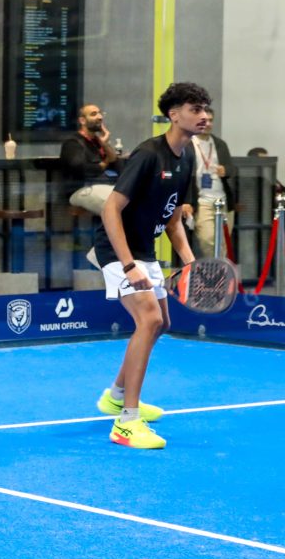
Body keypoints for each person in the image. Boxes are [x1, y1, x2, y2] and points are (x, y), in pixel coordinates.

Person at [89, 81, 209, 450]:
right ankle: (126, 422)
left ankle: (115, 396)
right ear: (174, 115)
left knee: (163, 323)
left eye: (206, 109)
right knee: (150, 320)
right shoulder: (148, 154)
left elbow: (171, 217)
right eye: (195, 109)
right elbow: (111, 209)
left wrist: (190, 262)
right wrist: (129, 266)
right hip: (118, 250)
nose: (204, 116)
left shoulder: (187, 156)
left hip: (144, 249)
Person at [188, 104, 238, 260]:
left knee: (224, 241)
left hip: (223, 199)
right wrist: (186, 202)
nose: (208, 124)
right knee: (208, 239)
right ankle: (216, 268)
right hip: (202, 200)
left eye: (210, 120)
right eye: (204, 120)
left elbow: (232, 169)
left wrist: (226, 170)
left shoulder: (219, 144)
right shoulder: (188, 144)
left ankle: (218, 270)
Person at [59, 102, 122, 216]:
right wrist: (104, 163)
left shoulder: (98, 142)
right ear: (82, 120)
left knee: (131, 197)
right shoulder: (73, 142)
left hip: (105, 185)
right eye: (94, 114)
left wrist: (105, 144)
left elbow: (117, 165)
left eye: (100, 113)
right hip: (80, 189)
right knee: (115, 204)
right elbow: (81, 169)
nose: (100, 117)